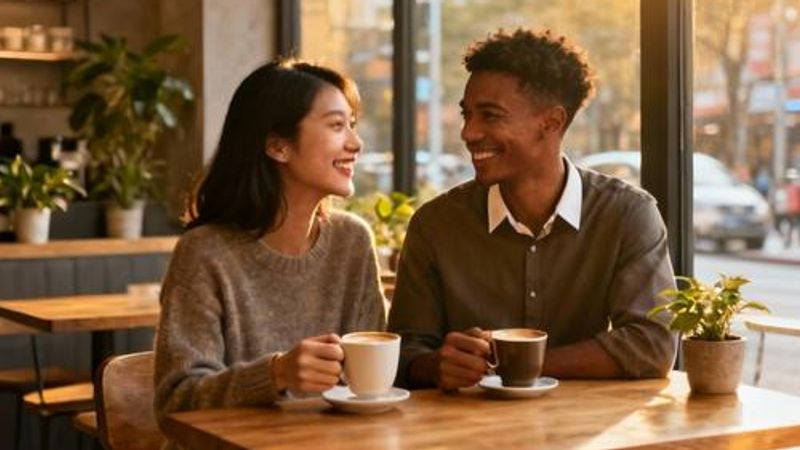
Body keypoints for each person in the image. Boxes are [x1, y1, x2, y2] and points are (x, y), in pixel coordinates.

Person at [387, 29, 677, 390]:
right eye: (467, 114)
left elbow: (652, 345)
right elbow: (402, 353)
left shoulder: (627, 214)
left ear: (552, 123)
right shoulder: (435, 225)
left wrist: (520, 363)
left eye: (490, 116)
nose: (468, 132)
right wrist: (436, 365)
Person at [154, 60, 386, 434]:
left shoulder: (352, 242)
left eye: (352, 126)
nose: (356, 144)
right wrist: (275, 373)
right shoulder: (204, 252)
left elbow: (369, 386)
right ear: (278, 146)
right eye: (336, 126)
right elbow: (174, 402)